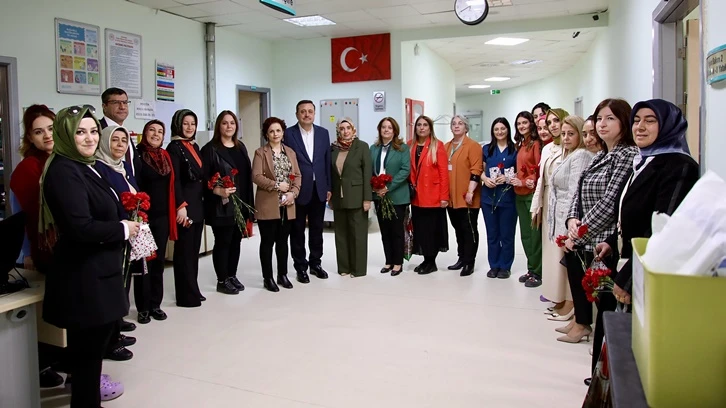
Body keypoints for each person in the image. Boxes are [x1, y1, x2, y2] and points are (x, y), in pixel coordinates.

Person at [39, 105, 139, 407]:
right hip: (84, 279)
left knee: (90, 360)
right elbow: (80, 227)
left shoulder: (86, 165)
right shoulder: (63, 171)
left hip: (99, 272)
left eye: (94, 131)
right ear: (66, 135)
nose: (90, 138)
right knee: (86, 362)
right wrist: (122, 229)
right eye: (80, 132)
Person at [592, 98, 699, 376]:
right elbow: (631, 211)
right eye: (637, 120)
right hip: (624, 259)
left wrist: (629, 276)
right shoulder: (643, 160)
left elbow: (664, 228)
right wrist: (612, 242)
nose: (640, 127)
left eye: (650, 121)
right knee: (612, 335)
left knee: (631, 350)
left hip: (644, 268)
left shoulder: (678, 166)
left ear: (668, 126)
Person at [562, 99, 638, 344]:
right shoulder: (601, 155)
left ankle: (600, 344)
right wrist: (572, 220)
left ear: (624, 121)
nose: (601, 124)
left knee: (604, 296)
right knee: (581, 281)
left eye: (610, 119)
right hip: (584, 234)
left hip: (604, 239)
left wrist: (579, 231)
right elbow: (579, 191)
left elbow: (610, 202)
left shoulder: (627, 155)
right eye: (599, 119)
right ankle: (581, 323)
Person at [10, 104, 64, 387]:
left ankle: (62, 360)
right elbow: (25, 216)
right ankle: (43, 365)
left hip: (67, 249)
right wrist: (28, 252)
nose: (47, 136)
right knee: (46, 312)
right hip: (43, 250)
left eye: (50, 129)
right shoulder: (28, 168)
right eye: (38, 132)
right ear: (29, 137)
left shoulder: (60, 159)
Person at [93, 125, 140, 362]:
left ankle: (117, 328)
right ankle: (111, 341)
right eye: (115, 140)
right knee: (114, 285)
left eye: (124, 140)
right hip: (114, 231)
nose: (120, 145)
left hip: (127, 231)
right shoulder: (100, 168)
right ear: (104, 142)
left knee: (124, 280)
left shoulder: (123, 167)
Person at [545, 116, 593, 322]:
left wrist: (569, 225)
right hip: (560, 213)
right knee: (565, 264)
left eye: (571, 134)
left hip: (569, 217)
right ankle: (566, 302)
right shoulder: (570, 154)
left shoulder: (581, 155)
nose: (565, 138)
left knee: (571, 265)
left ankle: (572, 306)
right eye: (563, 134)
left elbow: (575, 191)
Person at [201, 111, 254, 295]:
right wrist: (217, 190)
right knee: (223, 242)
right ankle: (222, 280)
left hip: (241, 203)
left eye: (232, 123)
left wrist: (249, 205)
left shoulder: (240, 147)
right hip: (221, 205)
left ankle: (232, 275)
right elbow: (203, 179)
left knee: (236, 241)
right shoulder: (210, 149)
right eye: (225, 123)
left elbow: (246, 178)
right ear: (219, 126)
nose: (229, 126)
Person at [284, 100, 332, 283]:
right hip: (298, 190)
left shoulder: (323, 133)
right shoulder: (289, 134)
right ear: (297, 114)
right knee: (297, 230)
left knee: (317, 229)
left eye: (310, 111)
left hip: (319, 189)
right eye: (303, 111)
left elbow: (326, 161)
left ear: (314, 113)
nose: (307, 114)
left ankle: (315, 264)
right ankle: (300, 267)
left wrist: (328, 187)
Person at [134, 120, 177, 323]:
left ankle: (155, 304)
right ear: (145, 133)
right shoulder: (137, 155)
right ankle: (143, 307)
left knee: (158, 261)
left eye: (160, 131)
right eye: (152, 130)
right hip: (143, 217)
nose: (156, 134)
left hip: (162, 216)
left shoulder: (165, 156)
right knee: (144, 262)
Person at [252, 117, 302, 291]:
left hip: (287, 204)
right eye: (271, 131)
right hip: (268, 204)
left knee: (283, 242)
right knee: (267, 242)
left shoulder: (290, 152)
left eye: (278, 130)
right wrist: (276, 185)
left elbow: (297, 175)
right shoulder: (260, 153)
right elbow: (256, 176)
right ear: (266, 134)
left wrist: (293, 193)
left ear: (283, 132)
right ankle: (268, 278)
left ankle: (282, 275)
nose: (275, 134)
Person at [166, 109, 205, 307]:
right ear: (178, 124)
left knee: (193, 252)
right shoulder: (174, 147)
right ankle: (185, 295)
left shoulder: (193, 145)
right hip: (185, 206)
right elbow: (175, 180)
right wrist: (180, 206)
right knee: (184, 253)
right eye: (186, 123)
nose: (190, 127)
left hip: (197, 205)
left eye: (193, 124)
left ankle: (193, 289)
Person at [330, 118, 372, 277]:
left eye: (348, 128)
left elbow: (367, 173)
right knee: (341, 234)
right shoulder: (333, 149)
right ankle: (344, 267)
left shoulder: (362, 146)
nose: (345, 131)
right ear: (338, 131)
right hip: (338, 197)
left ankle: (358, 269)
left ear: (353, 130)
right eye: (342, 128)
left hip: (357, 196)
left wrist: (367, 198)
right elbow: (332, 174)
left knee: (357, 235)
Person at [409, 115, 449, 274]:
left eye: (425, 125)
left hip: (433, 195)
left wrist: (444, 196)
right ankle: (426, 260)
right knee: (420, 229)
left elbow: (444, 173)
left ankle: (431, 261)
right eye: (419, 125)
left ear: (430, 128)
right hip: (417, 196)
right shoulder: (410, 145)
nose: (422, 128)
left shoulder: (437, 145)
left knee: (432, 230)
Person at [370, 117, 410, 276]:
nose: (386, 130)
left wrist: (388, 187)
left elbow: (405, 170)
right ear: (379, 130)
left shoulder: (402, 148)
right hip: (379, 196)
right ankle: (388, 261)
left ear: (395, 131)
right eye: (383, 127)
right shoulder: (373, 148)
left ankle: (398, 263)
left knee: (396, 231)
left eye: (389, 127)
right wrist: (375, 187)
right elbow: (369, 170)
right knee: (385, 231)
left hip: (397, 195)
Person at [445, 115, 483, 277]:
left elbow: (476, 170)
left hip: (467, 196)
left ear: (466, 127)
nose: (456, 126)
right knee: (458, 229)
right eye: (454, 123)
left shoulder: (473, 146)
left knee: (469, 230)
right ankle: (461, 258)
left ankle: (469, 262)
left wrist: (470, 191)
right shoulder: (446, 146)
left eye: (460, 123)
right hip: (451, 198)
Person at [481, 118, 518, 278]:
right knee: (492, 233)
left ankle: (505, 266)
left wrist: (508, 178)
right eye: (496, 129)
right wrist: (485, 179)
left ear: (508, 129)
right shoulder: (487, 149)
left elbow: (520, 171)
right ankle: (494, 265)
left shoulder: (515, 149)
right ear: (492, 131)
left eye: (502, 128)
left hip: (508, 197)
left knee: (507, 234)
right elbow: (480, 170)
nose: (500, 132)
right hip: (488, 198)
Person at [510, 111, 542, 287]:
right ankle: (531, 268)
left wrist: (523, 181)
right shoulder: (521, 144)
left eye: (524, 122)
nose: (521, 126)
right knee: (525, 236)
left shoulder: (535, 144)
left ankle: (538, 271)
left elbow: (538, 171)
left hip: (531, 194)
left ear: (531, 124)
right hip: (519, 194)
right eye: (518, 124)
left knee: (534, 235)